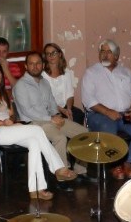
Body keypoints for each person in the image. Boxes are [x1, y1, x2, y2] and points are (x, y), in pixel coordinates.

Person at [0, 61, 74, 200]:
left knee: (34, 142)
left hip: (9, 129)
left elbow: (11, 114)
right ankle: (58, 167)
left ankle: (37, 189)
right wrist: (5, 123)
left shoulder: (3, 93)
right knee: (36, 130)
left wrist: (11, 118)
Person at [81, 40, 131, 180]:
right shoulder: (91, 73)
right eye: (102, 51)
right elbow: (88, 100)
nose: (105, 55)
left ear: (117, 56)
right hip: (100, 115)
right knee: (109, 132)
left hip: (125, 113)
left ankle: (127, 161)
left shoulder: (125, 72)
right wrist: (108, 112)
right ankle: (114, 164)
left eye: (109, 52)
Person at [13, 52, 87, 180]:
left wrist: (57, 116)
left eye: (38, 63)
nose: (35, 66)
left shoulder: (45, 83)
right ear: (26, 66)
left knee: (84, 133)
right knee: (60, 138)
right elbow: (28, 111)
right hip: (33, 123)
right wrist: (51, 119)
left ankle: (80, 170)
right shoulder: (20, 85)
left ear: (42, 65)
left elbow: (52, 104)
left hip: (50, 120)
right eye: (31, 64)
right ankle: (62, 175)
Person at [42, 43, 83, 125]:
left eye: (54, 53)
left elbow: (70, 95)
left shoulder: (66, 73)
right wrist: (62, 110)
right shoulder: (42, 75)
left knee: (79, 115)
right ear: (45, 57)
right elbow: (46, 100)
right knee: (62, 121)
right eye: (48, 54)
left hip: (65, 107)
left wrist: (68, 109)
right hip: (49, 109)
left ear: (60, 54)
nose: (51, 56)